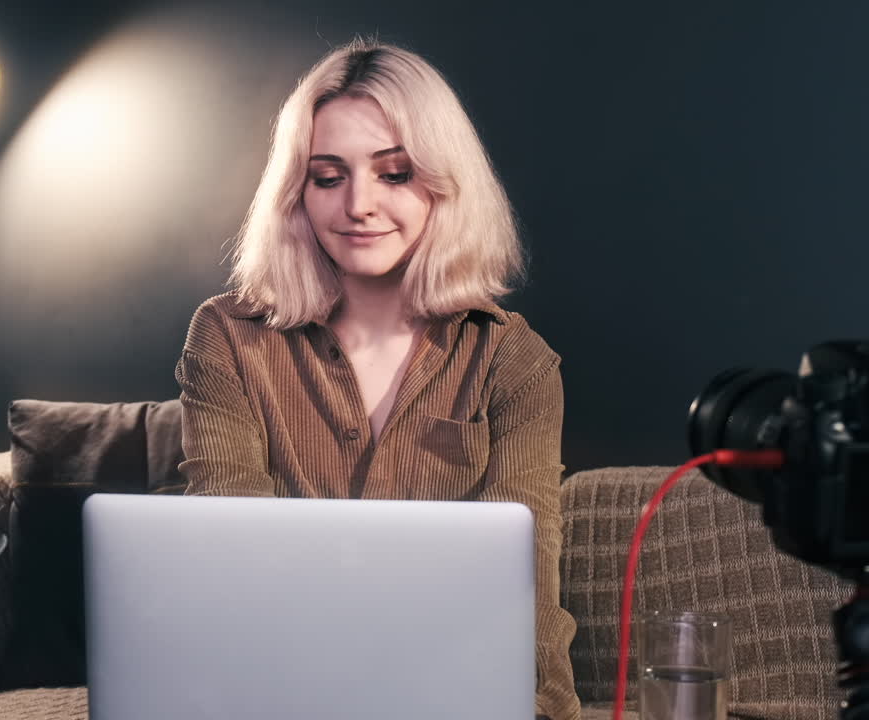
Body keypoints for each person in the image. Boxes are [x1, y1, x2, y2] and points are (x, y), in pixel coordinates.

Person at [176, 38, 580, 720]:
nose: (358, 204)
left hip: (459, 697)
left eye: (393, 174)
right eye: (328, 177)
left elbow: (525, 590)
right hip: (279, 695)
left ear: (444, 184)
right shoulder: (228, 339)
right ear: (296, 194)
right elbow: (230, 570)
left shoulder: (515, 362)